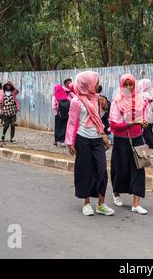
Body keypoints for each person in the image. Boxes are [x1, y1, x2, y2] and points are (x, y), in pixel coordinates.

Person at [65, 71, 114, 216]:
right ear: (87, 84)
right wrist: (69, 142)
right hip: (82, 139)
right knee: (85, 171)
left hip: (97, 139)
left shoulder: (98, 99)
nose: (98, 85)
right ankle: (86, 203)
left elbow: (100, 118)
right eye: (95, 82)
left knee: (102, 171)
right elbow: (72, 122)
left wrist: (104, 132)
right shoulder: (76, 101)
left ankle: (101, 204)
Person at [109, 74, 149, 215]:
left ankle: (136, 204)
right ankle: (116, 192)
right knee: (120, 169)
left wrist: (143, 123)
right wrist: (132, 123)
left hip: (137, 138)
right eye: (125, 84)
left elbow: (144, 117)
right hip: (121, 139)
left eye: (130, 84)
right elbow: (113, 124)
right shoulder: (116, 102)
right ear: (121, 85)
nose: (128, 87)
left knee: (139, 168)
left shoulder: (141, 100)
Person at [138, 79, 153, 158]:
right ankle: (149, 150)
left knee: (147, 134)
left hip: (144, 118)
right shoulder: (151, 94)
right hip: (150, 117)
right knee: (146, 133)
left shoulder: (142, 95)